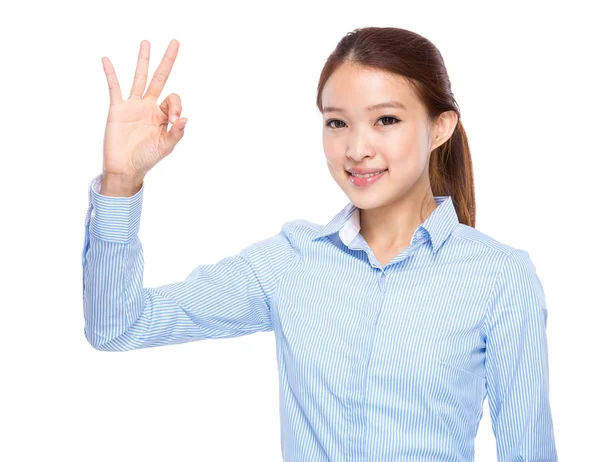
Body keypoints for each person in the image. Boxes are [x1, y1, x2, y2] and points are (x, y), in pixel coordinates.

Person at [81, 28, 558, 461]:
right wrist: (121, 184)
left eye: (386, 120)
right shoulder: (291, 262)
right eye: (337, 123)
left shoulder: (499, 277)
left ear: (440, 128)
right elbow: (117, 325)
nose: (356, 148)